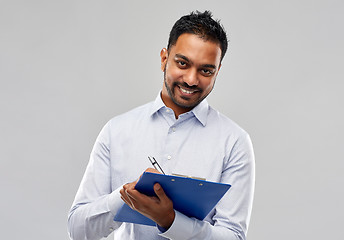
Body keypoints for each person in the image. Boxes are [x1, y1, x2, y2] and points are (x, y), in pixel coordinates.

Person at [68, 10, 255, 240]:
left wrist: (170, 221)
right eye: (182, 63)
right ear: (164, 59)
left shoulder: (234, 142)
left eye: (206, 70)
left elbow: (234, 236)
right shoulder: (116, 131)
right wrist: (125, 197)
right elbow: (77, 230)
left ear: (217, 72)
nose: (191, 79)